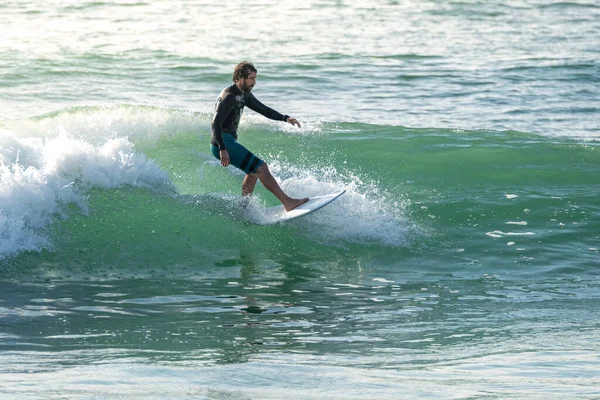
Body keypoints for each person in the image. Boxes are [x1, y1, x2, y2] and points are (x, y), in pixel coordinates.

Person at [210, 61, 309, 211]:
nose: (254, 82)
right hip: (222, 142)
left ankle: (242, 208)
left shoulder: (243, 95)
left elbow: (264, 110)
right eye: (251, 78)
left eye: (255, 78)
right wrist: (223, 149)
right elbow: (215, 123)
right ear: (239, 78)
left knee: (252, 172)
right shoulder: (229, 96)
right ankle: (287, 202)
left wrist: (285, 118)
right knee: (261, 167)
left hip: (226, 141)